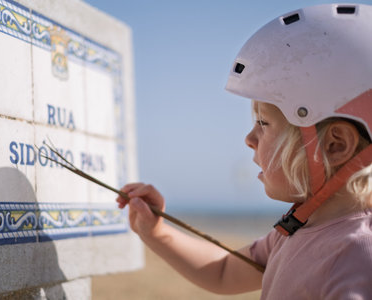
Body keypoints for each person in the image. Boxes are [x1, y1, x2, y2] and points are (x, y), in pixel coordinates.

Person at [116, 3, 372, 299]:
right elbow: (224, 272)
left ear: (335, 145)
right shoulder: (297, 227)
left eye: (264, 123)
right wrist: (157, 232)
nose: (249, 138)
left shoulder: (358, 257)